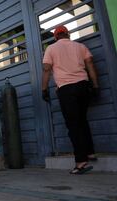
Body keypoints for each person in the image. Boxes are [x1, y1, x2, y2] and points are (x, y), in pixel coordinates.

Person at [42, 25, 99, 175]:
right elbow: (90, 64)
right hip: (83, 86)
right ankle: (90, 152)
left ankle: (81, 162)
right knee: (82, 120)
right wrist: (95, 86)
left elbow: (47, 69)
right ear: (68, 34)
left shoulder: (51, 49)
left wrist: (44, 89)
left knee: (73, 125)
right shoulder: (80, 46)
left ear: (55, 37)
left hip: (66, 89)